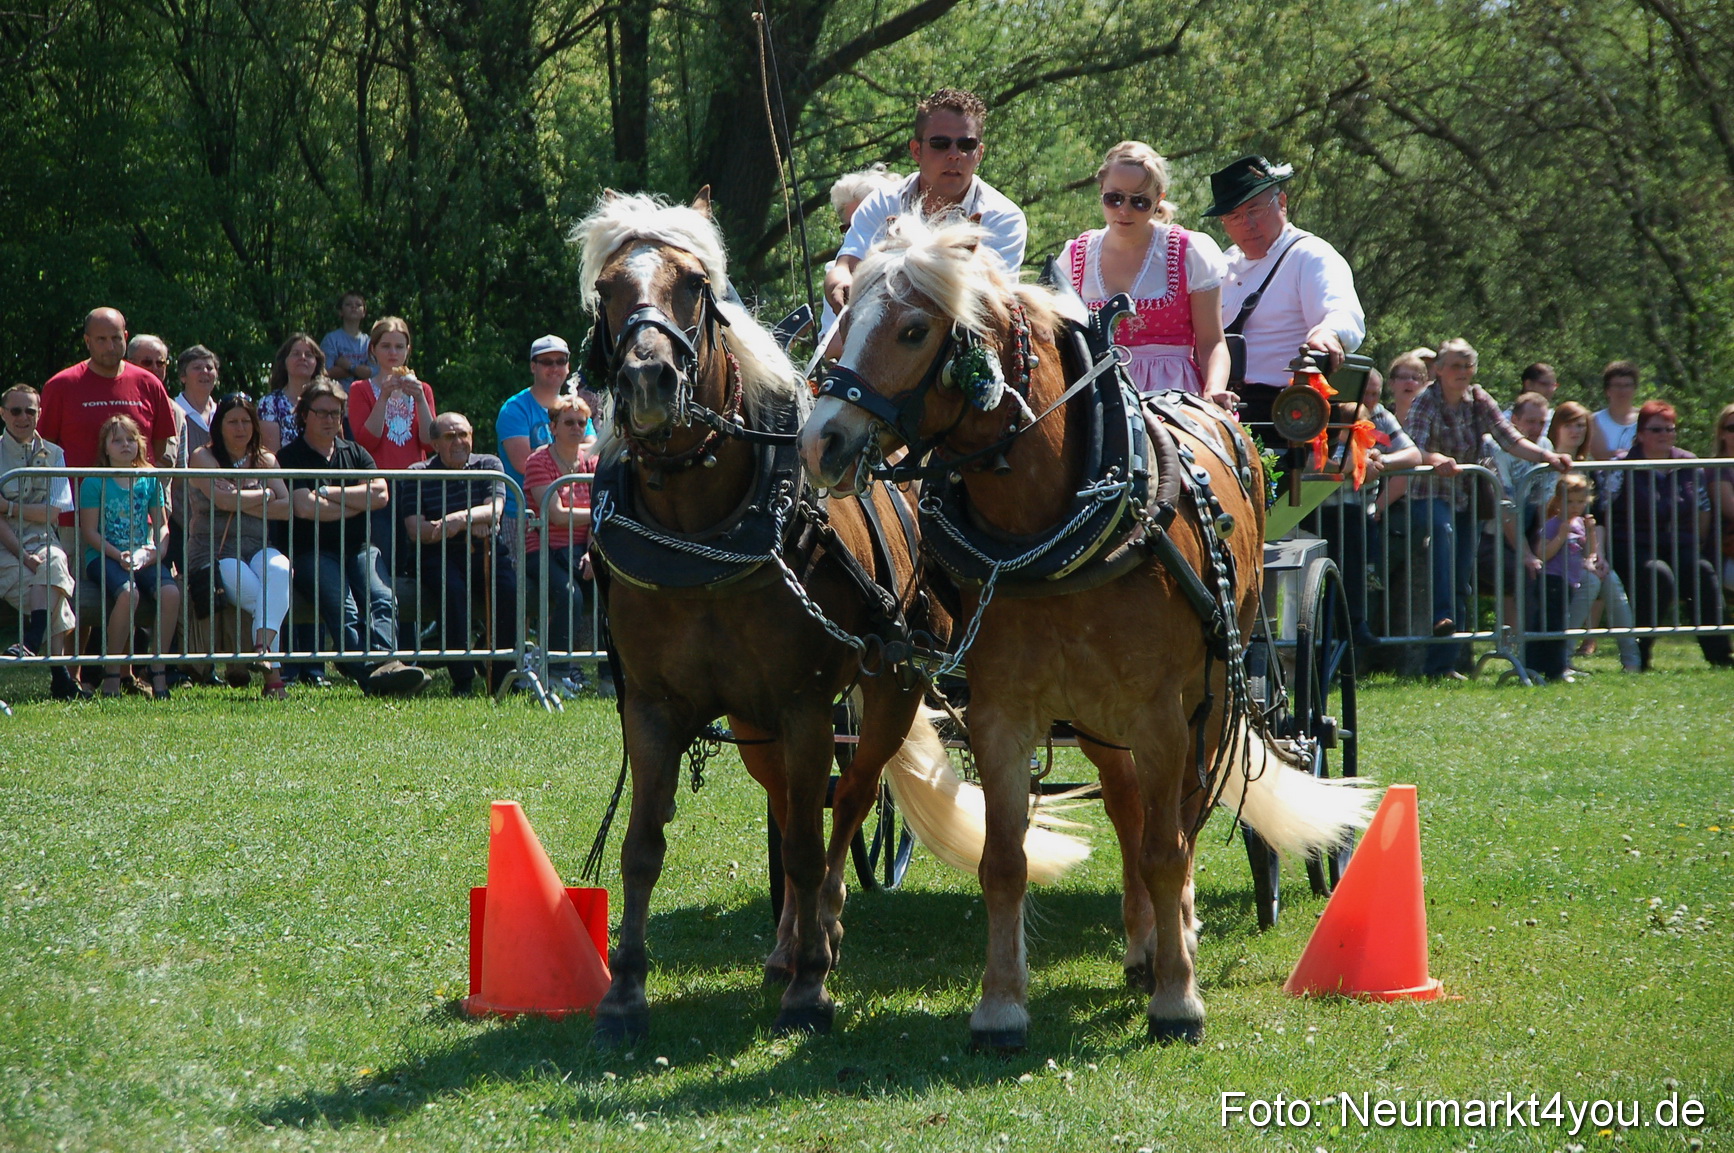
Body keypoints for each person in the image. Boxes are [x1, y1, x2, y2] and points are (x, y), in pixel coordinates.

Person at [1405, 338, 1571, 678]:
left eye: (1467, 366)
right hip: (1430, 494)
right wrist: (1437, 459)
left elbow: (1510, 439)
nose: (1462, 372)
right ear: (1438, 369)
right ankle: (1442, 618)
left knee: (1463, 577)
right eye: (1455, 365)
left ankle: (1445, 664)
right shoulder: (1426, 402)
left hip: (1467, 498)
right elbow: (1414, 448)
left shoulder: (1479, 400)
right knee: (1443, 534)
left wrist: (1548, 456)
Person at [277, 380, 429, 696]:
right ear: (305, 415)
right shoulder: (290, 456)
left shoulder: (355, 452)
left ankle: (385, 666)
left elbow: (380, 495)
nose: (330, 419)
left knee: (383, 597)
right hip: (312, 552)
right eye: (321, 413)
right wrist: (355, 503)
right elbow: (305, 508)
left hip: (360, 547)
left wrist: (329, 494)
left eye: (335, 413)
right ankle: (374, 674)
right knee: (344, 608)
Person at [824, 88, 1026, 315]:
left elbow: (990, 306)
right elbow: (844, 268)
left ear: (979, 154)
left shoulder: (1004, 217)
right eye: (940, 144)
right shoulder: (882, 202)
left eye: (966, 145)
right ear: (916, 150)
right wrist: (839, 284)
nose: (954, 154)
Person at [1060, 141, 1230, 402]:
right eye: (1114, 198)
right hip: (1097, 394)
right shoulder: (1075, 256)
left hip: (1172, 396)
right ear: (1101, 192)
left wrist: (1214, 389)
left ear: (1158, 200)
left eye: (1139, 202)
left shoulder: (1189, 252)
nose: (1124, 211)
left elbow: (1212, 342)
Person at [1206, 155, 1365, 424]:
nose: (1247, 224)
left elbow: (1342, 311)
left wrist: (1328, 333)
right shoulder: (1221, 265)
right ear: (1223, 222)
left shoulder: (1310, 255)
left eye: (1255, 210)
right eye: (1234, 216)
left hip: (1286, 414)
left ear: (1281, 203)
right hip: (1220, 408)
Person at [1602, 400, 1732, 669]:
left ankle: (1719, 655)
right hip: (1632, 545)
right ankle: (1640, 654)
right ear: (1640, 434)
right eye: (1657, 430)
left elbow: (1702, 507)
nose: (1665, 435)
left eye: (1670, 430)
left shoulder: (1688, 462)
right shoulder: (1622, 464)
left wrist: (1695, 544)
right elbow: (1604, 507)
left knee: (1703, 572)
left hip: (1678, 543)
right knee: (1658, 575)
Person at [1304, 369, 1422, 649]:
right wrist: (1356, 464)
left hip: (1358, 514)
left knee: (1360, 563)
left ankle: (1355, 626)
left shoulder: (1379, 415)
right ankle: (1344, 629)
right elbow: (1314, 461)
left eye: (1374, 394)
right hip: (1318, 513)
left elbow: (1413, 453)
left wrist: (1380, 462)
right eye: (1364, 394)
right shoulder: (1321, 411)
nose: (1370, 400)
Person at [186, 394, 293, 700]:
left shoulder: (266, 459)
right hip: (214, 551)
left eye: (246, 421)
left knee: (281, 569)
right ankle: (274, 678)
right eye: (232, 421)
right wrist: (266, 494)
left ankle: (261, 650)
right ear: (219, 425)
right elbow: (223, 501)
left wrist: (243, 496)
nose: (240, 428)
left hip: (257, 545)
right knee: (263, 596)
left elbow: (285, 508)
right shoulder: (203, 457)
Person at [400, 412, 515, 696]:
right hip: (437, 555)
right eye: (450, 436)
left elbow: (494, 511)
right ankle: (462, 678)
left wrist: (457, 520)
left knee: (509, 590)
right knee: (452, 591)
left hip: (486, 552)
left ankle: (502, 677)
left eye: (464, 434)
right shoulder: (417, 473)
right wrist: (464, 524)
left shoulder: (489, 464)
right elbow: (416, 529)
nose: (459, 442)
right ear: (435, 443)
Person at [77, 414, 180, 699]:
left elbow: (161, 525)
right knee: (128, 594)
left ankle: (158, 669)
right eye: (117, 440)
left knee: (171, 593)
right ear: (105, 448)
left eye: (131, 439)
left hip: (142, 555)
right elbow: (89, 532)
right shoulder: (94, 482)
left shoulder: (149, 479)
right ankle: (112, 673)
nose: (125, 445)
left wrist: (155, 551)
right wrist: (117, 554)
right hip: (104, 556)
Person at [0, 385, 86, 699]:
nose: (23, 417)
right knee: (56, 593)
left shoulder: (55, 454)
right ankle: (59, 677)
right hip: (6, 548)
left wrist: (8, 507)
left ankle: (31, 641)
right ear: (3, 413)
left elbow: (53, 512)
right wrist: (23, 555)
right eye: (16, 410)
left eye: (30, 411)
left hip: (44, 541)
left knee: (55, 560)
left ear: (40, 414)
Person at [1547, 400, 1640, 670]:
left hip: (1584, 551)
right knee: (1591, 584)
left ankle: (1632, 661)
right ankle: (1561, 657)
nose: (1576, 431)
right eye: (1569, 425)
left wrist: (1597, 556)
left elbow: (1597, 517)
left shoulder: (1588, 468)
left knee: (1611, 584)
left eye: (1581, 425)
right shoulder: (1544, 463)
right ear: (1557, 427)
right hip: (1554, 553)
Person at [524, 395, 602, 697]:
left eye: (582, 422)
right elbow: (555, 515)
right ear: (553, 426)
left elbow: (602, 516)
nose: (576, 427)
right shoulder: (538, 461)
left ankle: (611, 676)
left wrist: (592, 553)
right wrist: (595, 514)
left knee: (612, 593)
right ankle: (554, 674)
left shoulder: (593, 463)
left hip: (582, 551)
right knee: (570, 596)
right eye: (569, 422)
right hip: (542, 552)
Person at [40, 308, 177, 470]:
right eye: (101, 340)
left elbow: (158, 445)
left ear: (126, 337)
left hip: (136, 492)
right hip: (78, 492)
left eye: (116, 338)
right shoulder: (60, 386)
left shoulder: (150, 384)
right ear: (87, 341)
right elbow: (45, 445)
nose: (110, 347)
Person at [497, 335, 575, 529]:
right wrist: (570, 456)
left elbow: (592, 452)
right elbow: (524, 463)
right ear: (533, 367)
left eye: (560, 361)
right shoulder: (514, 409)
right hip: (524, 517)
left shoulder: (574, 408)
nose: (555, 367)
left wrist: (549, 456)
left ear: (568, 366)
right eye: (547, 362)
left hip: (572, 514)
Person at [1529, 472, 1597, 682]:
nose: (1576, 507)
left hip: (1568, 582)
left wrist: (1591, 532)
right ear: (1559, 501)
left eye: (1580, 502)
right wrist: (1560, 535)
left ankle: (1549, 666)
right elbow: (1542, 553)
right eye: (1570, 501)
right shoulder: (1552, 524)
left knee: (1559, 624)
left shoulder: (1579, 524)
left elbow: (1588, 553)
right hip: (1551, 581)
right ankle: (1554, 669)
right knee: (1553, 626)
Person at [819, 164, 903, 332]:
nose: (859, 235)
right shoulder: (837, 277)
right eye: (850, 228)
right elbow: (832, 349)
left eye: (869, 227)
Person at [347, 316, 434, 472]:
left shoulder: (423, 389)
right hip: (377, 482)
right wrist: (383, 398)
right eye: (386, 346)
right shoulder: (359, 389)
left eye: (399, 347)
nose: (393, 352)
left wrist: (420, 400)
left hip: (415, 480)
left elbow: (430, 443)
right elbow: (365, 443)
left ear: (408, 350)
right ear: (373, 349)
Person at [259, 333, 328, 454]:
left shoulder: (328, 401)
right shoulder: (269, 403)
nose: (303, 357)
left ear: (316, 363)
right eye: (296, 353)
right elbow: (272, 455)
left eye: (309, 354)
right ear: (284, 362)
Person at [1587, 360, 1640, 460]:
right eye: (1617, 385)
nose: (1622, 390)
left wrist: (1615, 453)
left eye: (1627, 385)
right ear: (1607, 390)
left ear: (1634, 389)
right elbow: (1599, 455)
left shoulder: (1646, 419)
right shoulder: (1594, 420)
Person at [320, 292, 375, 388]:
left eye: (358, 305)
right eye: (348, 304)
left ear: (364, 313)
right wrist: (360, 371)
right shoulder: (331, 340)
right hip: (336, 396)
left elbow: (373, 373)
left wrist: (348, 366)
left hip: (363, 397)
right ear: (340, 312)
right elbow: (325, 373)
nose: (354, 307)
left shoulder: (369, 342)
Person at [1713, 402, 1734, 594]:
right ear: (1721, 433)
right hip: (1725, 553)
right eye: (1732, 428)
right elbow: (1731, 510)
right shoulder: (1716, 469)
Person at [1385, 351, 1431, 428]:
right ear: (1391, 383)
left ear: (1424, 384)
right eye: (1403, 377)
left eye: (1415, 378)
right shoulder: (1382, 424)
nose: (1410, 382)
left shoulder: (1433, 425)